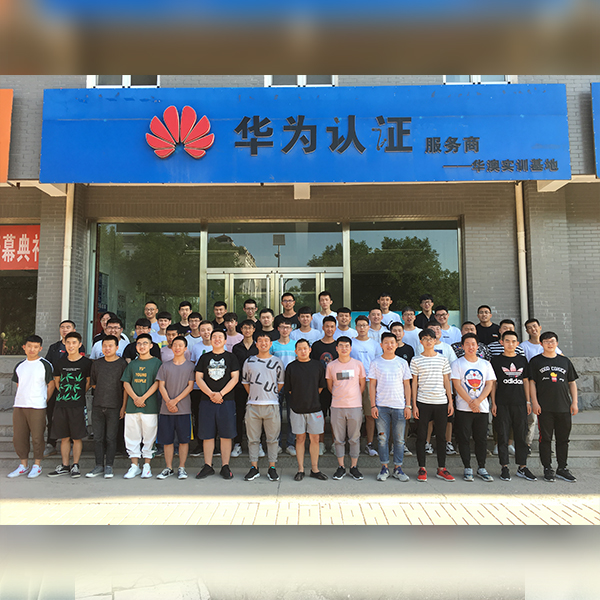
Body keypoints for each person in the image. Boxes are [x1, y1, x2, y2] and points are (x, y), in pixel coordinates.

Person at [530, 331, 579, 483]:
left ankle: (562, 468)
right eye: (546, 341)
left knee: (563, 439)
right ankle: (547, 468)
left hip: (564, 406)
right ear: (541, 344)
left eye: (552, 341)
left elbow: (572, 382)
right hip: (544, 408)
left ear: (557, 343)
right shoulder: (536, 361)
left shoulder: (565, 361)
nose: (549, 344)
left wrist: (574, 402)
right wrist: (534, 402)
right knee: (545, 439)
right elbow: (531, 383)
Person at [490, 330, 537, 482]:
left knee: (520, 435)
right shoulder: (496, 361)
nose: (510, 344)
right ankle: (504, 466)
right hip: (502, 403)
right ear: (501, 342)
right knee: (503, 435)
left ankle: (522, 467)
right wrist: (493, 403)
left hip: (520, 403)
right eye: (507, 341)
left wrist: (528, 401)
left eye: (513, 341)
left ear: (517, 344)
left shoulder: (522, 360)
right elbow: (493, 383)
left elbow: (526, 381)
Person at [411, 328, 454, 482]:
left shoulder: (443, 359)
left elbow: (446, 381)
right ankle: (422, 468)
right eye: (425, 339)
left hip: (441, 402)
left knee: (441, 436)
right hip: (423, 402)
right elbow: (414, 383)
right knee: (421, 436)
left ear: (435, 341)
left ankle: (441, 468)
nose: (428, 341)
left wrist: (450, 401)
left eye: (431, 339)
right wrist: (414, 404)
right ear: (420, 341)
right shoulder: (416, 360)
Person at [195, 330, 239, 480]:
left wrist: (221, 394)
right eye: (214, 337)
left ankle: (225, 466)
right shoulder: (204, 357)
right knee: (207, 434)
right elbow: (198, 378)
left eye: (220, 337)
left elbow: (235, 378)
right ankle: (208, 465)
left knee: (226, 434)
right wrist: (211, 394)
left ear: (225, 341)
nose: (217, 339)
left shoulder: (231, 357)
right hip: (207, 401)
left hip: (227, 400)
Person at [451, 333, 496, 482]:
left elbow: (489, 384)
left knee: (481, 439)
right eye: (467, 344)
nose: (471, 347)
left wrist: (478, 401)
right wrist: (471, 402)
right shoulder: (457, 363)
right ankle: (467, 467)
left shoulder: (485, 364)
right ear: (462, 346)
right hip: (463, 407)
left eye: (473, 344)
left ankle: (481, 467)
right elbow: (457, 385)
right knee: (464, 438)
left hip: (482, 408)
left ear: (478, 346)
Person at [8, 335, 54, 479]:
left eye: (35, 347)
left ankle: (37, 465)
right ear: (24, 347)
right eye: (29, 346)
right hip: (20, 405)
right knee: (19, 437)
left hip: (37, 406)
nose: (32, 349)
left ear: (40, 348)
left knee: (37, 437)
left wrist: (43, 400)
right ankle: (23, 465)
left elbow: (51, 385)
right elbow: (19, 384)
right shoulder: (20, 365)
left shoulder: (45, 364)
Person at [48, 331, 92, 478]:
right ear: (65, 344)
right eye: (68, 343)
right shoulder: (60, 362)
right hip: (61, 404)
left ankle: (75, 465)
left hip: (78, 405)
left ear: (80, 345)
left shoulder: (87, 363)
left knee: (77, 437)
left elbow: (88, 382)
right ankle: (65, 465)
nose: (71, 345)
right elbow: (57, 381)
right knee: (64, 437)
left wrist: (77, 393)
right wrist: (65, 393)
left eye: (74, 343)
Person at [369, 332, 412, 482]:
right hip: (381, 406)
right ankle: (384, 467)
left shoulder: (402, 362)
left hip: (399, 406)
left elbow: (407, 385)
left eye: (392, 342)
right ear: (381, 345)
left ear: (396, 344)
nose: (389, 345)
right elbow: (372, 385)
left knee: (399, 440)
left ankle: (398, 468)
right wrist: (373, 405)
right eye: (386, 342)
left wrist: (408, 405)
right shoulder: (375, 362)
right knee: (382, 439)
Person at [242, 333, 285, 481]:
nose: (263, 343)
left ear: (271, 343)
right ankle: (254, 468)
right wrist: (256, 395)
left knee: (272, 439)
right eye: (260, 341)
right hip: (253, 406)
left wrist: (269, 394)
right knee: (253, 439)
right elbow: (245, 382)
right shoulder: (249, 361)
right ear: (256, 344)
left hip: (272, 405)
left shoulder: (277, 362)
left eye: (266, 340)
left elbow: (280, 383)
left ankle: (272, 467)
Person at [284, 338, 328, 481]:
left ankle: (315, 469)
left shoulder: (318, 366)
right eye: (300, 349)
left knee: (315, 439)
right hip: (297, 408)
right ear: (295, 351)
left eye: (305, 348)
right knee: (300, 438)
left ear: (310, 350)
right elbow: (289, 389)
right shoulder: (291, 367)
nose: (303, 351)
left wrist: (311, 396)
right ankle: (300, 469)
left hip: (315, 408)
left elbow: (321, 387)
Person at [120, 333, 162, 479]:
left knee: (149, 435)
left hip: (149, 406)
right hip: (132, 407)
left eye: (145, 343)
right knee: (132, 435)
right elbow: (126, 383)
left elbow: (157, 383)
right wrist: (135, 398)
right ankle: (134, 466)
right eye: (139, 344)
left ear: (151, 346)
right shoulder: (132, 364)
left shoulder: (157, 363)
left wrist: (143, 398)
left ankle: (147, 465)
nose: (142, 346)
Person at [86, 335, 127, 479]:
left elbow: (125, 387)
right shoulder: (97, 364)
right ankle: (98, 465)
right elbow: (94, 384)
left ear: (117, 347)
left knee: (111, 438)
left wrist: (123, 407)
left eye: (110, 346)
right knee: (98, 438)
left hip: (115, 406)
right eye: (105, 346)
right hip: (98, 405)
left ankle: (109, 465)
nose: (107, 348)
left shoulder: (122, 364)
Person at [43, 319, 86, 457]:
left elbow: (85, 376)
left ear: (74, 330)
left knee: (74, 420)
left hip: (74, 392)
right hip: (56, 388)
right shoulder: (54, 347)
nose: (65, 329)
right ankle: (51, 443)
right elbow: (49, 366)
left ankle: (73, 444)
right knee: (52, 415)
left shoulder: (80, 348)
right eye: (62, 327)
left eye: (68, 327)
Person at [155, 336, 195, 480]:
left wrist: (175, 401)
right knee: (167, 440)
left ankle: (182, 467)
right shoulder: (165, 366)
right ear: (171, 347)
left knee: (184, 440)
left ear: (185, 349)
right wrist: (168, 402)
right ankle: (168, 467)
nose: (177, 348)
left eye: (180, 345)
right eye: (175, 345)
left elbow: (190, 386)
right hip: (166, 410)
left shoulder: (190, 367)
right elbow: (161, 386)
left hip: (184, 409)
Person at [327, 336, 366, 481]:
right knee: (338, 439)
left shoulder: (358, 364)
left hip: (354, 406)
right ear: (336, 348)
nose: (344, 348)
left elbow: (362, 385)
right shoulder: (331, 366)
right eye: (341, 346)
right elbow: (330, 386)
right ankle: (341, 467)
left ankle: (354, 467)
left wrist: (353, 397)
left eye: (347, 346)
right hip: (337, 406)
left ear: (351, 348)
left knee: (354, 438)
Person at [350, 314, 382, 458]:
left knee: (370, 415)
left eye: (364, 325)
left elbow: (378, 363)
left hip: (370, 381)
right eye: (359, 325)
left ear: (369, 327)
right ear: (355, 327)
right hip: (353, 382)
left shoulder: (375, 344)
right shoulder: (351, 343)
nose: (362, 328)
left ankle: (369, 443)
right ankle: (354, 443)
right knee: (354, 415)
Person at [310, 315, 339, 454]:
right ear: (322, 327)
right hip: (320, 386)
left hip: (335, 386)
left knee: (335, 417)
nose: (329, 329)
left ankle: (335, 443)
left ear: (335, 328)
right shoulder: (316, 346)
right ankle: (320, 443)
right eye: (327, 326)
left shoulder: (338, 345)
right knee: (320, 416)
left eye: (332, 326)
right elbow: (312, 366)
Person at [231, 319, 259, 458]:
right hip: (240, 386)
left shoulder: (258, 346)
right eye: (245, 328)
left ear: (254, 329)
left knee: (257, 416)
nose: (247, 330)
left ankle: (257, 443)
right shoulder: (236, 348)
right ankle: (238, 443)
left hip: (257, 386)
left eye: (250, 328)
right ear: (241, 330)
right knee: (239, 414)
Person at [270, 319, 297, 455]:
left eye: (287, 327)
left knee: (293, 414)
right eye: (282, 327)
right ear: (278, 329)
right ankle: (278, 443)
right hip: (276, 382)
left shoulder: (295, 345)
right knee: (276, 415)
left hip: (293, 383)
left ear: (291, 329)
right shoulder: (272, 345)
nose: (285, 330)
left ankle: (291, 443)